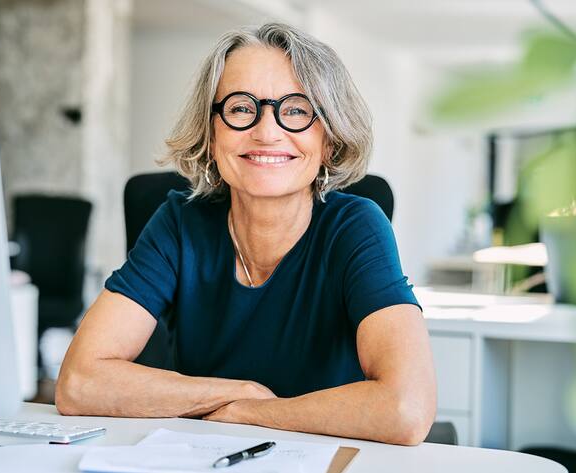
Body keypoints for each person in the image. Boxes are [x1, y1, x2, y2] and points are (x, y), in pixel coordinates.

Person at [56, 22, 436, 446]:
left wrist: (254, 413)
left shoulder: (356, 227)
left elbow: (407, 409)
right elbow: (79, 382)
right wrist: (237, 392)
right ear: (211, 133)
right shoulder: (180, 221)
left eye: (296, 109)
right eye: (240, 108)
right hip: (202, 455)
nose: (267, 131)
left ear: (328, 139)